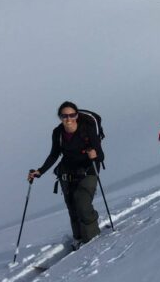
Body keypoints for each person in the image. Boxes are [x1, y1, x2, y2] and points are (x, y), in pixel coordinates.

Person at [28, 101, 104, 249]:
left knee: (82, 204)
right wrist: (40, 171)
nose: (68, 119)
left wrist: (94, 155)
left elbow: (101, 156)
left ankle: (91, 240)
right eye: (64, 116)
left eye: (72, 115)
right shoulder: (58, 132)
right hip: (67, 172)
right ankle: (78, 238)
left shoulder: (87, 129)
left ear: (77, 115)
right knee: (72, 207)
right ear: (60, 117)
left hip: (88, 170)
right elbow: (54, 154)